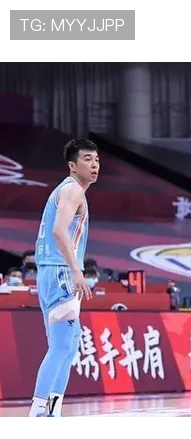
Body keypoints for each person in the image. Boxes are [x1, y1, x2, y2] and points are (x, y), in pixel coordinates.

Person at [28, 139, 99, 417]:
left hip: (51, 272)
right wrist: (76, 271)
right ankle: (38, 413)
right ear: (72, 165)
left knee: (68, 346)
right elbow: (59, 230)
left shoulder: (66, 190)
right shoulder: (73, 190)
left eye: (96, 159)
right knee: (61, 346)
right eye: (87, 159)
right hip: (60, 272)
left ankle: (52, 412)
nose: (94, 164)